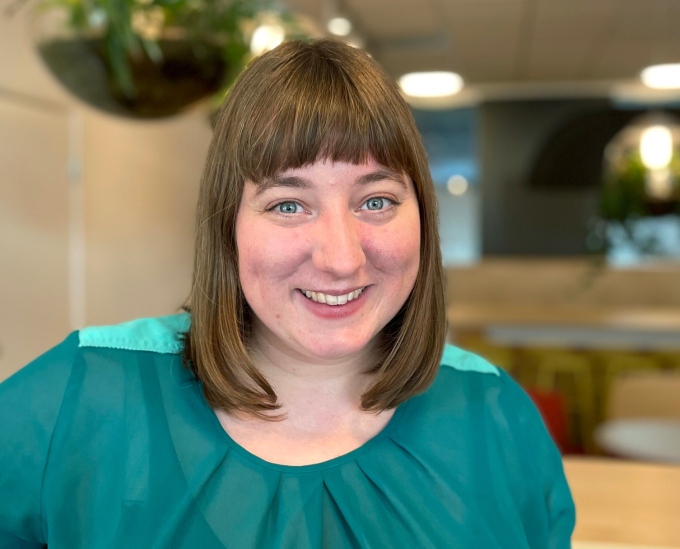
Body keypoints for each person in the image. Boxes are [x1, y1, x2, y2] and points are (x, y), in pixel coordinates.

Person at [0, 39, 574, 548]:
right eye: (288, 205)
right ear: (228, 225)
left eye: (376, 201)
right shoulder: (77, 397)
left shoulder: (499, 418)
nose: (342, 257)